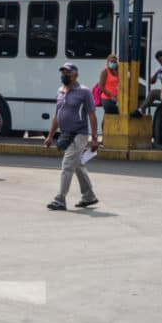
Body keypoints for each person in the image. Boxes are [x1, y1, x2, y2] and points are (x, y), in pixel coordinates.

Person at [44, 62, 99, 211]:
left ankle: (60, 199)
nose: (64, 75)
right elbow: (57, 115)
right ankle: (89, 196)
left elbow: (92, 115)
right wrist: (50, 136)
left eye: (68, 72)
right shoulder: (60, 91)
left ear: (75, 75)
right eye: (63, 72)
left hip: (80, 134)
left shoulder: (84, 91)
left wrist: (94, 138)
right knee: (77, 165)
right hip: (66, 134)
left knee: (67, 164)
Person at [131, 51, 162, 118]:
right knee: (153, 93)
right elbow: (151, 81)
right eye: (160, 61)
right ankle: (141, 110)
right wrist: (156, 74)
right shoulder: (160, 69)